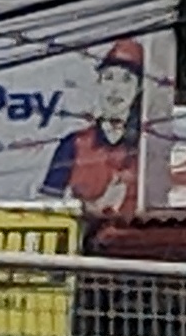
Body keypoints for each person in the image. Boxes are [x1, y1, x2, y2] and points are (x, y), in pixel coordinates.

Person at [40, 38, 149, 215]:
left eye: (126, 79)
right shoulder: (73, 144)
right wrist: (96, 207)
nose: (115, 89)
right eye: (109, 78)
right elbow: (47, 209)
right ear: (98, 83)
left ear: (138, 88)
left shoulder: (146, 148)